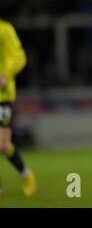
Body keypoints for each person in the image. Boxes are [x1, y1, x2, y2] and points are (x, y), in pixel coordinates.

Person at [0, 19, 37, 197]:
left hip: (3, 95)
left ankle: (26, 174)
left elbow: (19, 57)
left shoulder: (5, 30)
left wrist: (6, 74)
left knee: (3, 144)